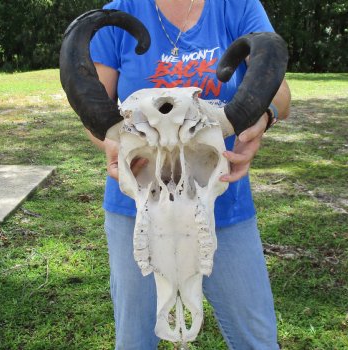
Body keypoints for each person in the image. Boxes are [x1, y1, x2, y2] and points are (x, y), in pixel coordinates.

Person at [87, 0, 291, 349]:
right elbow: (94, 110)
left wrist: (263, 117)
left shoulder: (238, 7)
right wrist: (112, 146)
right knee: (134, 341)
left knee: (257, 340)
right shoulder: (118, 11)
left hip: (224, 201)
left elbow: (280, 92)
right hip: (136, 205)